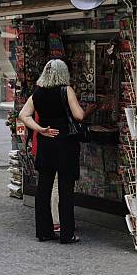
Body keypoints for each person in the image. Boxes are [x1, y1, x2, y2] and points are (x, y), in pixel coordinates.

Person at [19, 59, 95, 243]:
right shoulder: (66, 90)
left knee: (43, 188)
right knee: (65, 189)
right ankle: (66, 234)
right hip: (65, 144)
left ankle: (44, 231)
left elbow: (23, 114)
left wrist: (39, 128)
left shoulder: (38, 93)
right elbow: (78, 115)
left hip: (46, 143)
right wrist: (89, 110)